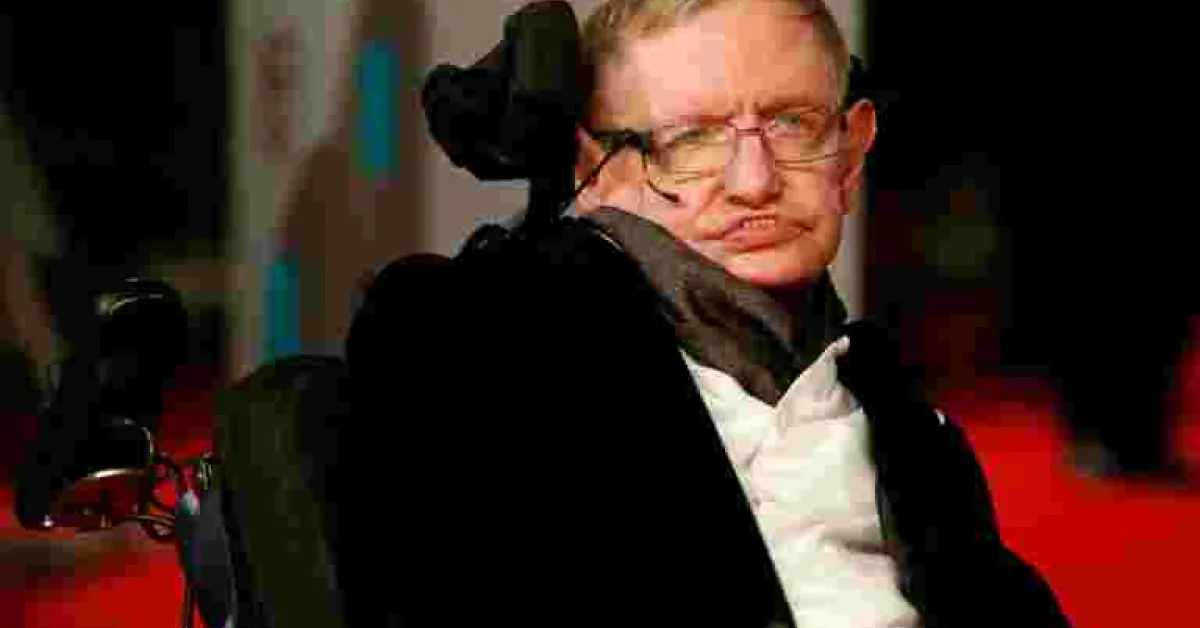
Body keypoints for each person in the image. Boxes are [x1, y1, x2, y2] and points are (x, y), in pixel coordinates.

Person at [339, 1, 1070, 626]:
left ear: (850, 156)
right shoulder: (478, 348)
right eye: (691, 139)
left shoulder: (907, 427)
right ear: (597, 170)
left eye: (792, 124)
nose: (754, 182)